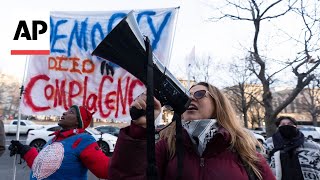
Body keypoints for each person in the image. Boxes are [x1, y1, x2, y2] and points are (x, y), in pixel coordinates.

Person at [109, 82, 275, 180]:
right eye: (186, 95)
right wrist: (139, 131)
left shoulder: (244, 150)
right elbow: (126, 177)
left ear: (218, 104)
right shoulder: (167, 146)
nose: (191, 98)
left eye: (200, 94)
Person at [9, 105, 110, 180]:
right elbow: (41, 168)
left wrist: (124, 151)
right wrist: (25, 151)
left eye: (71, 112)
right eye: (66, 111)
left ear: (78, 122)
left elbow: (105, 170)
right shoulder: (52, 140)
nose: (64, 113)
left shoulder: (84, 140)